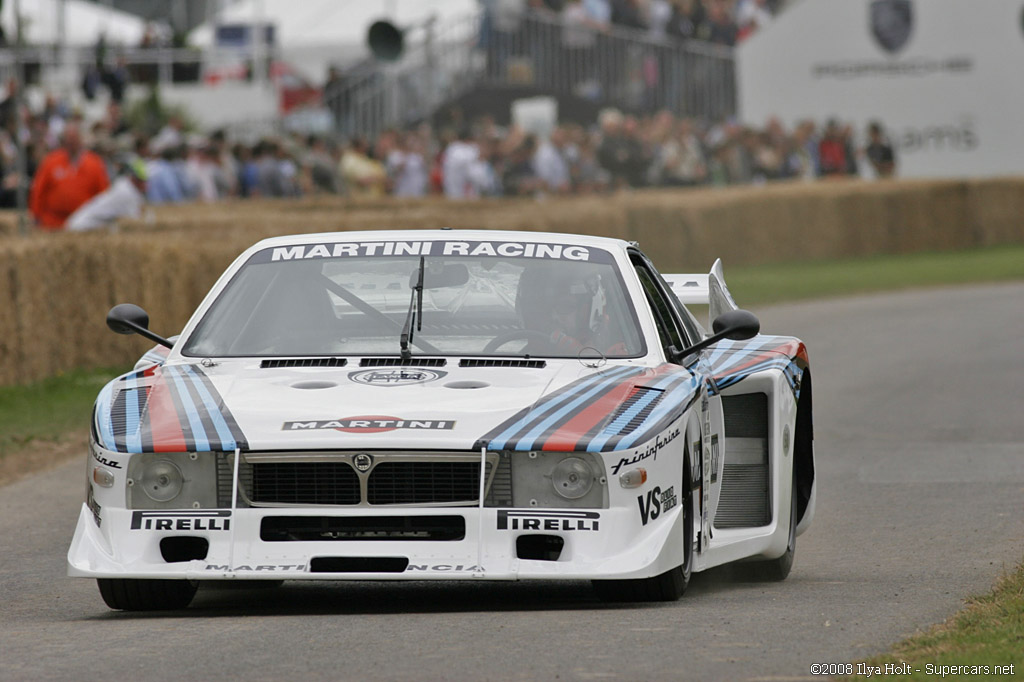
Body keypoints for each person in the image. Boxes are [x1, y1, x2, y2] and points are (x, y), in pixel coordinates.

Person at [28, 122, 110, 229]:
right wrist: (36, 215)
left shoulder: (95, 163)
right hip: (52, 223)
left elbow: (103, 194)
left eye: (74, 138)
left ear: (81, 140)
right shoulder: (51, 161)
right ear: (64, 140)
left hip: (85, 223)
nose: (71, 142)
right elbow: (38, 190)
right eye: (68, 138)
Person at [65, 159, 147, 231]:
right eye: (142, 181)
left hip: (87, 223)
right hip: (82, 226)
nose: (146, 185)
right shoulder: (126, 192)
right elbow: (134, 221)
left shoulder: (124, 186)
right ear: (134, 179)